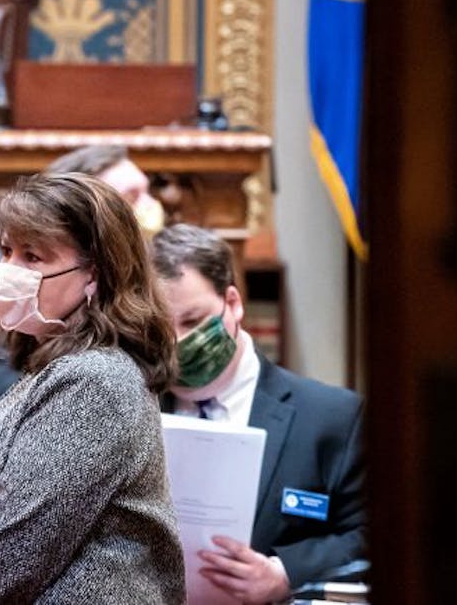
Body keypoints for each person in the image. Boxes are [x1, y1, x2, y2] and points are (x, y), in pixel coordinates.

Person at [0, 173, 186, 604]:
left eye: (33, 257)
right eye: (9, 251)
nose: (10, 271)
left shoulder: (95, 384)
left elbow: (10, 561)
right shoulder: (56, 368)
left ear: (96, 275)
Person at [153, 224, 366, 603]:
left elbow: (371, 532)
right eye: (159, 329)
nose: (177, 344)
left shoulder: (331, 417)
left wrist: (285, 573)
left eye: (191, 321)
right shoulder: (133, 410)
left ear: (232, 303)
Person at [0, 143, 166, 406]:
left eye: (32, 257)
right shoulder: (22, 328)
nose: (151, 208)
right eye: (132, 196)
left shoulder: (98, 378)